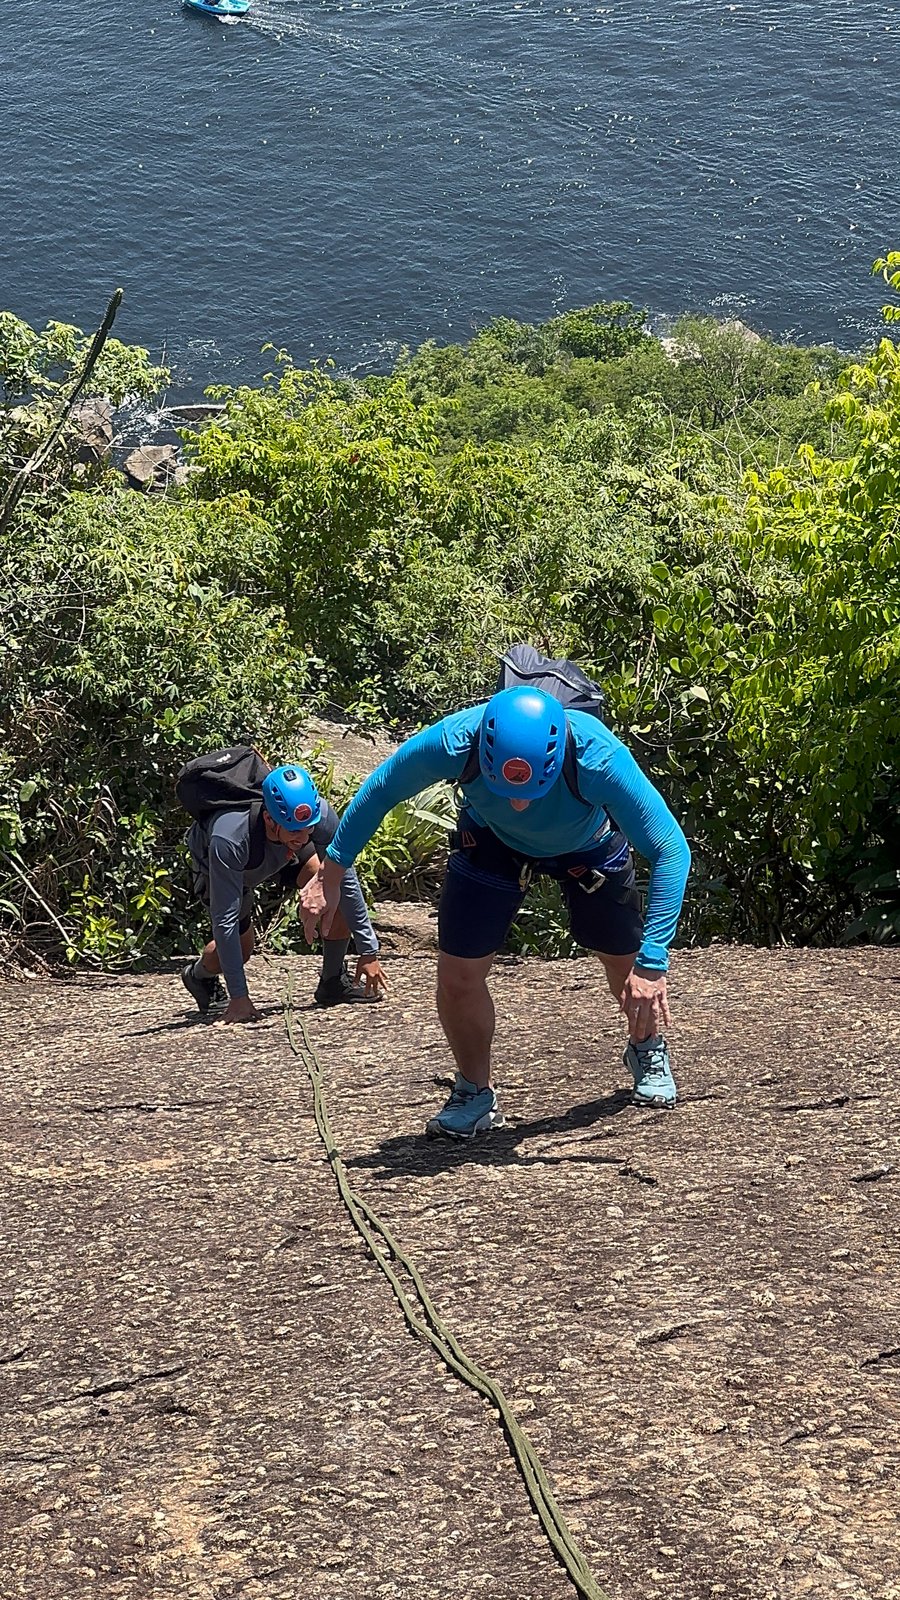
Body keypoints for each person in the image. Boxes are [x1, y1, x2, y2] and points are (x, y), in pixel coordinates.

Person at [300, 686, 690, 1138]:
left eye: (529, 792)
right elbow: (382, 789)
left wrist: (654, 960)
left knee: (627, 968)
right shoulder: (453, 742)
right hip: (491, 841)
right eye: (508, 790)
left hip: (587, 847)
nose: (519, 803)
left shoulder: (598, 758)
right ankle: (474, 1092)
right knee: (457, 975)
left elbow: (670, 850)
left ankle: (645, 1047)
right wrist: (330, 875)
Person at [182, 763, 386, 1024]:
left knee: (330, 892)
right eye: (295, 830)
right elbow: (225, 921)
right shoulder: (229, 839)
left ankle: (332, 982)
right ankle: (199, 975)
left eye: (309, 829)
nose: (304, 838)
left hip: (280, 849)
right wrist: (239, 997)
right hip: (233, 867)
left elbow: (343, 878)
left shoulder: (317, 816)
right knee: (242, 950)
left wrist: (369, 951)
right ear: (269, 818)